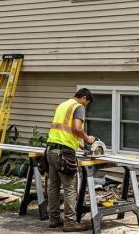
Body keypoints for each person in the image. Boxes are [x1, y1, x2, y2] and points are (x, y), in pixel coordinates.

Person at [46, 88, 97, 232]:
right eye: (87, 103)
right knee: (70, 188)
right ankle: (70, 223)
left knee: (54, 187)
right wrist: (88, 138)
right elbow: (76, 128)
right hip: (64, 154)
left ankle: (54, 220)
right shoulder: (78, 107)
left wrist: (81, 145)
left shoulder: (63, 105)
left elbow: (65, 131)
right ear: (84, 98)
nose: (86, 106)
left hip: (51, 150)